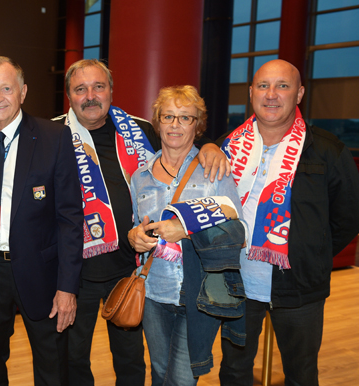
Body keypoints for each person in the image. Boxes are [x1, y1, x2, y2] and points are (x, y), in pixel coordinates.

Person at [52, 59, 231, 386]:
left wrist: (211, 147)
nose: (91, 95)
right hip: (74, 273)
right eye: (81, 89)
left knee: (132, 363)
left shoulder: (139, 129)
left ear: (111, 90)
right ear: (68, 96)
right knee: (73, 362)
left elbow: (179, 139)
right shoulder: (52, 136)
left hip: (131, 270)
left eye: (99, 86)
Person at [217, 59, 359, 386]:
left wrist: (309, 251)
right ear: (251, 92)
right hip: (237, 285)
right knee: (234, 371)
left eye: (282, 86)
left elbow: (348, 219)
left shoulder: (327, 150)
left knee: (301, 374)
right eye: (264, 86)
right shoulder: (227, 147)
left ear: (299, 94)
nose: (272, 94)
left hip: (300, 287)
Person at [0, 56, 83, 386]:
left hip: (41, 271)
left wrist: (67, 286)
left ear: (23, 92)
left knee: (52, 366)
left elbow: (70, 217)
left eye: (6, 88)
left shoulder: (55, 138)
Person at [128, 86, 246, 385]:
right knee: (158, 372)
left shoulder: (215, 170)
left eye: (185, 118)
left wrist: (186, 230)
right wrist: (135, 237)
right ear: (157, 122)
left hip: (198, 293)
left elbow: (239, 230)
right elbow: (135, 223)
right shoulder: (140, 176)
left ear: (198, 124)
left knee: (180, 379)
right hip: (153, 291)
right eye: (168, 116)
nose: (176, 125)